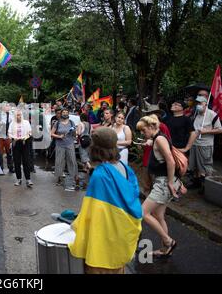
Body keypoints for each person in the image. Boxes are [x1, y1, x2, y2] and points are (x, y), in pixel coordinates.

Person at [69, 127, 142, 274]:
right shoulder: (126, 168)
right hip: (122, 237)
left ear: (95, 149)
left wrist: (76, 224)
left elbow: (93, 212)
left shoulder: (100, 175)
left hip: (104, 244)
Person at [136, 116, 181, 257]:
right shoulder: (158, 138)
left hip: (163, 183)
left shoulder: (160, 139)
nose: (143, 133)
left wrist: (169, 182)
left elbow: (171, 162)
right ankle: (165, 249)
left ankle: (168, 242)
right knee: (158, 215)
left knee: (143, 213)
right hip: (161, 182)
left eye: (143, 130)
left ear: (151, 127)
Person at [180, 96, 222, 192]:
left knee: (205, 166)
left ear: (205, 104)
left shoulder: (212, 114)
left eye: (200, 103)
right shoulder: (196, 114)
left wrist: (206, 131)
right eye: (197, 103)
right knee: (194, 165)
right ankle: (197, 183)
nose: (198, 105)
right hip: (194, 143)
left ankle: (207, 186)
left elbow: (220, 129)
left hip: (205, 145)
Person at [50, 108, 79, 190]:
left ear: (68, 114)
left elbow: (75, 134)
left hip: (69, 144)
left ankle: (74, 178)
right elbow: (51, 133)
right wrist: (59, 136)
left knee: (72, 161)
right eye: (64, 112)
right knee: (59, 161)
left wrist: (74, 132)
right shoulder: (57, 123)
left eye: (67, 112)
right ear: (61, 114)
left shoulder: (71, 122)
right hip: (60, 144)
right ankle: (59, 178)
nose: (65, 114)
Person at [8, 110, 33, 187]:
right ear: (15, 116)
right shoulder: (12, 123)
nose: (18, 116)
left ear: (22, 115)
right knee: (17, 162)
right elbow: (9, 133)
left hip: (25, 143)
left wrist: (26, 137)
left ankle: (28, 179)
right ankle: (19, 179)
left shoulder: (26, 122)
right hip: (16, 143)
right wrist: (13, 138)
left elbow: (30, 132)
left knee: (26, 161)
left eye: (19, 115)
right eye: (17, 115)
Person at [0, 103, 14, 174]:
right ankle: (0, 169)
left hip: (8, 136)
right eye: (7, 106)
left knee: (9, 152)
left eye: (9, 106)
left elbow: (13, 123)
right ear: (3, 107)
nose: (8, 107)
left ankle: (11, 168)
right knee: (0, 153)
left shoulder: (11, 114)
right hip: (0, 136)